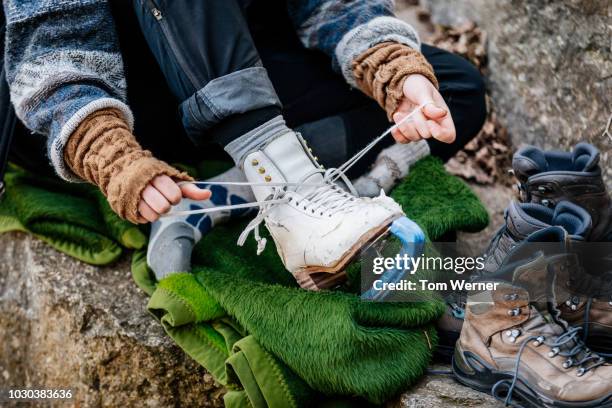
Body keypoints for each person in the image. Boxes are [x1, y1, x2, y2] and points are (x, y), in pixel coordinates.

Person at [3, 0, 486, 287]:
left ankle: (212, 201)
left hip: (221, 61)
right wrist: (108, 153)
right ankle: (292, 185)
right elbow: (51, 52)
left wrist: (388, 66)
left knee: (451, 90)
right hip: (90, 99)